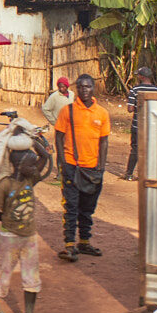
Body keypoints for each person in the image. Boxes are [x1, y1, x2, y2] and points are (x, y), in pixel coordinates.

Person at [0, 143, 50, 313]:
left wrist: (31, 139)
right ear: (19, 166)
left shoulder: (30, 179)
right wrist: (8, 221)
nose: (34, 168)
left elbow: (45, 157)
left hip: (29, 235)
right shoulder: (6, 184)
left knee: (32, 278)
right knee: (5, 271)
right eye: (31, 165)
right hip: (9, 236)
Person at [54, 73, 110, 262]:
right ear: (76, 89)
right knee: (71, 207)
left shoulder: (102, 113)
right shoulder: (67, 111)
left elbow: (104, 141)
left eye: (88, 87)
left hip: (92, 169)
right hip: (72, 166)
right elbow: (59, 137)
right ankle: (69, 245)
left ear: (93, 88)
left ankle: (84, 242)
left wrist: (101, 167)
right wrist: (62, 163)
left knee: (87, 208)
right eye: (81, 87)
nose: (84, 90)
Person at [124, 66, 157, 180]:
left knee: (135, 149)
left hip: (137, 125)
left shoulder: (135, 90)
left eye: (138, 75)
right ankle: (149, 175)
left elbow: (130, 109)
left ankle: (129, 174)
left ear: (141, 77)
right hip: (153, 127)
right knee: (151, 149)